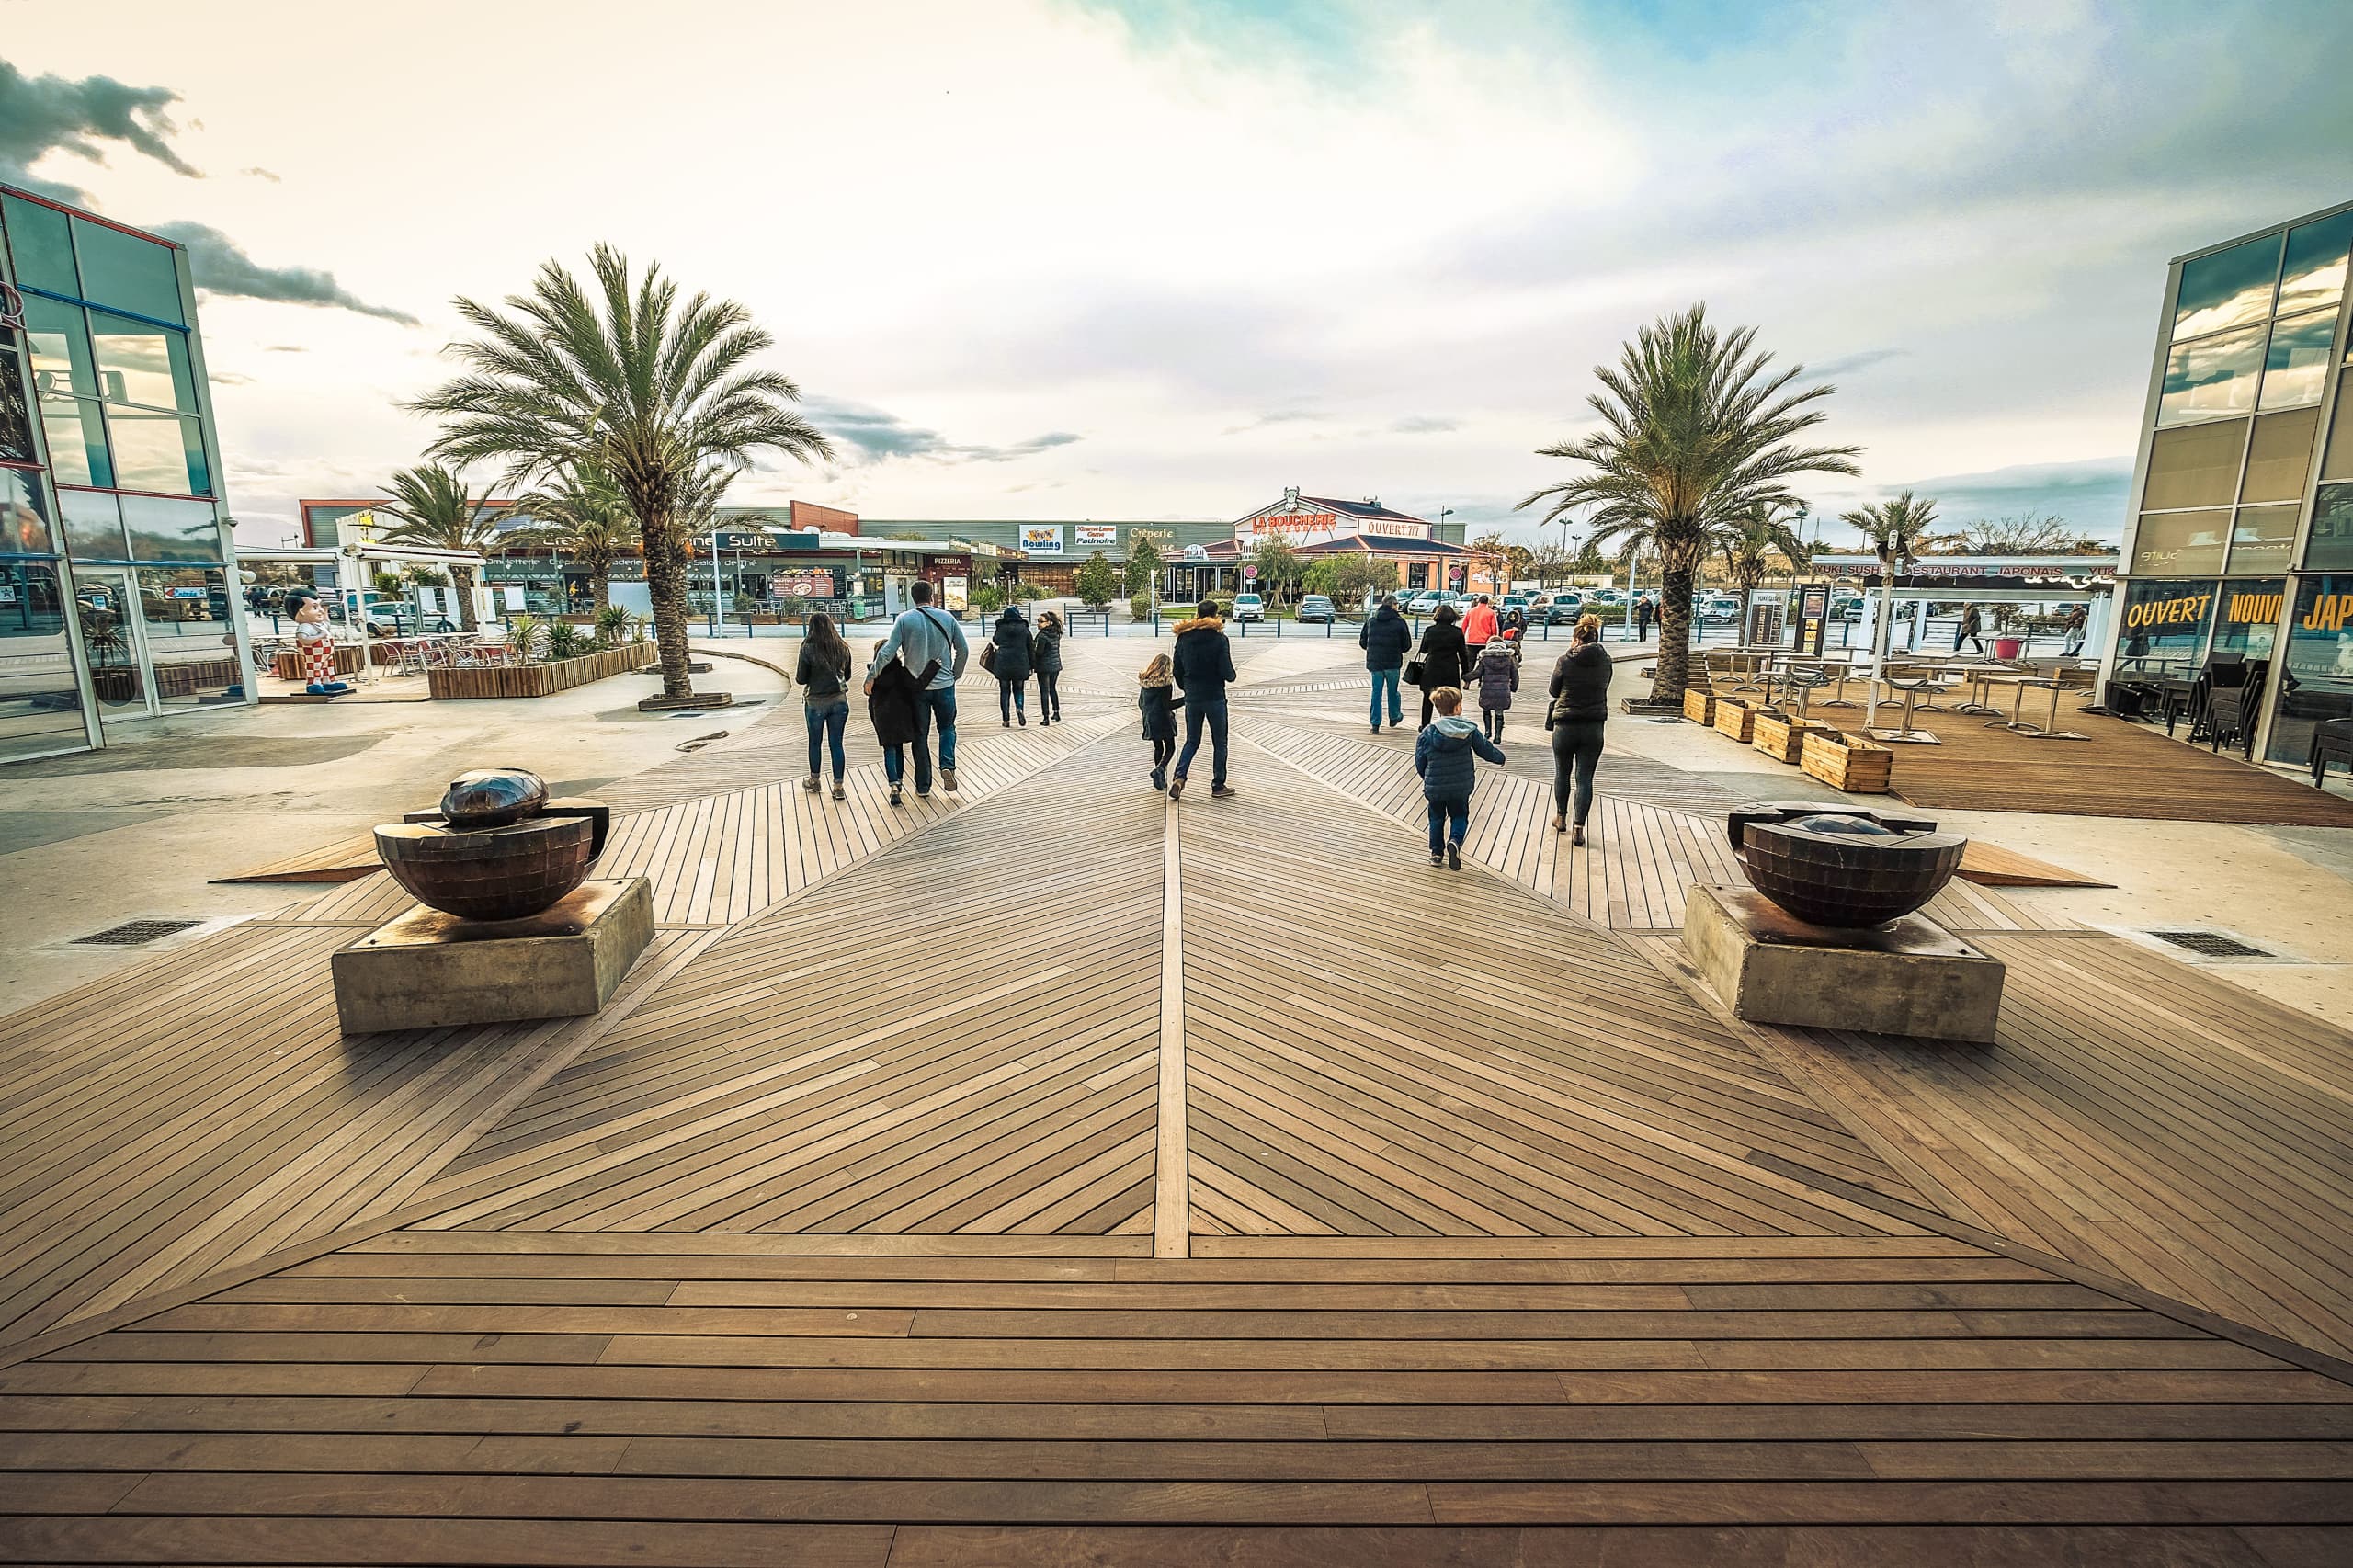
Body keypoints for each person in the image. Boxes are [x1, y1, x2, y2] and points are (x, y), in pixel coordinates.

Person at [870, 580, 968, 795]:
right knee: (947, 728)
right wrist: (954, 674)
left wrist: (871, 676)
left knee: (920, 735)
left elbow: (887, 652)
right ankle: (947, 765)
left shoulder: (904, 619)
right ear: (932, 596)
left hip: (916, 688)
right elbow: (963, 649)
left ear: (913, 598)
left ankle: (923, 786)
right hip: (944, 686)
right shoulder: (948, 618)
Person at [1414, 686, 1506, 870]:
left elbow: (1419, 759)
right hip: (1460, 785)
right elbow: (1484, 750)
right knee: (1460, 815)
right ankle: (1455, 840)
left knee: (1436, 817)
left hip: (1436, 786)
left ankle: (1436, 853)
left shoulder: (1428, 733)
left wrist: (1427, 777)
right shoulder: (1468, 730)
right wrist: (1499, 758)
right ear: (1456, 708)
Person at [1546, 614, 1611, 846]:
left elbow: (1554, 691)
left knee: (1562, 773)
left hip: (1566, 724)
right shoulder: (1606, 661)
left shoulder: (1565, 660)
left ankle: (1561, 817)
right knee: (1585, 778)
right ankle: (1578, 829)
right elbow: (1604, 685)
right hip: (1594, 725)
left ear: (1576, 638)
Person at [1168, 597, 1238, 802]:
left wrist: (1186, 687)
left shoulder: (1184, 638)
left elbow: (1177, 669)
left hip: (1193, 697)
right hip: (1215, 696)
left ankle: (1179, 777)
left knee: (1192, 740)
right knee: (1220, 742)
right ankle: (1218, 785)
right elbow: (1227, 672)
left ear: (1197, 615)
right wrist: (1231, 675)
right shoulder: (1219, 639)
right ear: (1215, 616)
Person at [865, 638, 939, 808]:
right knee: (899, 749)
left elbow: (870, 701)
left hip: (883, 717)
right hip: (902, 715)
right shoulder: (901, 672)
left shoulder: (874, 677)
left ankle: (894, 785)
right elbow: (917, 686)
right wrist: (933, 666)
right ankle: (900, 782)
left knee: (890, 749)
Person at [795, 611, 853, 800]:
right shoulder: (842, 647)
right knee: (837, 744)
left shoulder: (808, 647)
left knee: (815, 742)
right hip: (839, 701)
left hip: (816, 702)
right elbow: (848, 675)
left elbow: (801, 678)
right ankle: (838, 786)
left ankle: (815, 781)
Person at [1411, 601, 1472, 729]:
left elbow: (1423, 649)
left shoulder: (1430, 630)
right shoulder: (1457, 632)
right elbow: (1463, 654)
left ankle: (1425, 725)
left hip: (1432, 668)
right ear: (1452, 617)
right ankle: (1448, 725)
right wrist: (1465, 673)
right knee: (1451, 698)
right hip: (1450, 669)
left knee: (1428, 698)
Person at [1358, 592, 1413, 733]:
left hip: (1375, 663)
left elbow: (1363, 642)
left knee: (1376, 692)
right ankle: (1394, 716)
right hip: (1393, 663)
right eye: (1397, 604)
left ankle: (1375, 723)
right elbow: (1407, 645)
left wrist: (1373, 649)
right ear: (1393, 605)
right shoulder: (1400, 622)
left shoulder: (1371, 621)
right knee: (1393, 691)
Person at [1138, 653, 1185, 790]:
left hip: (1150, 720)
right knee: (1170, 748)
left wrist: (1146, 715)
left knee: (1158, 748)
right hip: (1163, 720)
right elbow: (1167, 705)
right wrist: (1184, 700)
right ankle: (1160, 769)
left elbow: (1140, 703)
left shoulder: (1145, 682)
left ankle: (1160, 779)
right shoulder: (1165, 684)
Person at [988, 604, 1034, 725]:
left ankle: (1006, 719)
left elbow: (996, 640)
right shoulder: (1024, 628)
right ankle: (1019, 708)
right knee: (1019, 689)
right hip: (1021, 662)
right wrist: (1032, 665)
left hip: (1003, 662)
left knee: (1004, 691)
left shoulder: (1001, 627)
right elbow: (1031, 647)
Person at [1473, 634, 1518, 743]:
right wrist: (1513, 687)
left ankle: (1487, 732)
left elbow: (1477, 673)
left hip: (1487, 690)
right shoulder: (1509, 659)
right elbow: (1515, 675)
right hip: (1503, 691)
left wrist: (1465, 677)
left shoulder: (1485, 659)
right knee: (1499, 713)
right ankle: (1498, 736)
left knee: (1486, 710)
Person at [1033, 609, 1065, 725]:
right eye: (1037, 621)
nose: (1038, 624)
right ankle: (1056, 712)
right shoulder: (1056, 633)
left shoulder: (1042, 636)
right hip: (1056, 665)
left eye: (1041, 621)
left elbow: (1039, 652)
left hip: (1044, 667)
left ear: (1048, 622)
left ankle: (1045, 717)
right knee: (1052, 688)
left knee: (1044, 691)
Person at [1461, 594, 1498, 660]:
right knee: (1485, 663)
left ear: (1479, 601)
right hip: (1485, 641)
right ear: (1487, 602)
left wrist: (1462, 637)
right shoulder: (1491, 612)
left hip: (1471, 641)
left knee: (1470, 662)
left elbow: (1464, 625)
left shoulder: (1470, 611)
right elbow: (1494, 628)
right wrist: (1494, 639)